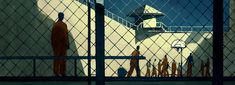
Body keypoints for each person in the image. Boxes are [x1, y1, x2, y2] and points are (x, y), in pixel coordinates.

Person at [51, 12, 69, 77]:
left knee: (58, 59)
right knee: (61, 59)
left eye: (62, 16)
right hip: (61, 44)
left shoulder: (56, 25)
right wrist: (67, 43)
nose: (62, 17)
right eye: (62, 16)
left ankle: (58, 72)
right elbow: (66, 35)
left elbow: (53, 36)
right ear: (59, 16)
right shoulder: (63, 25)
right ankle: (61, 72)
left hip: (59, 44)